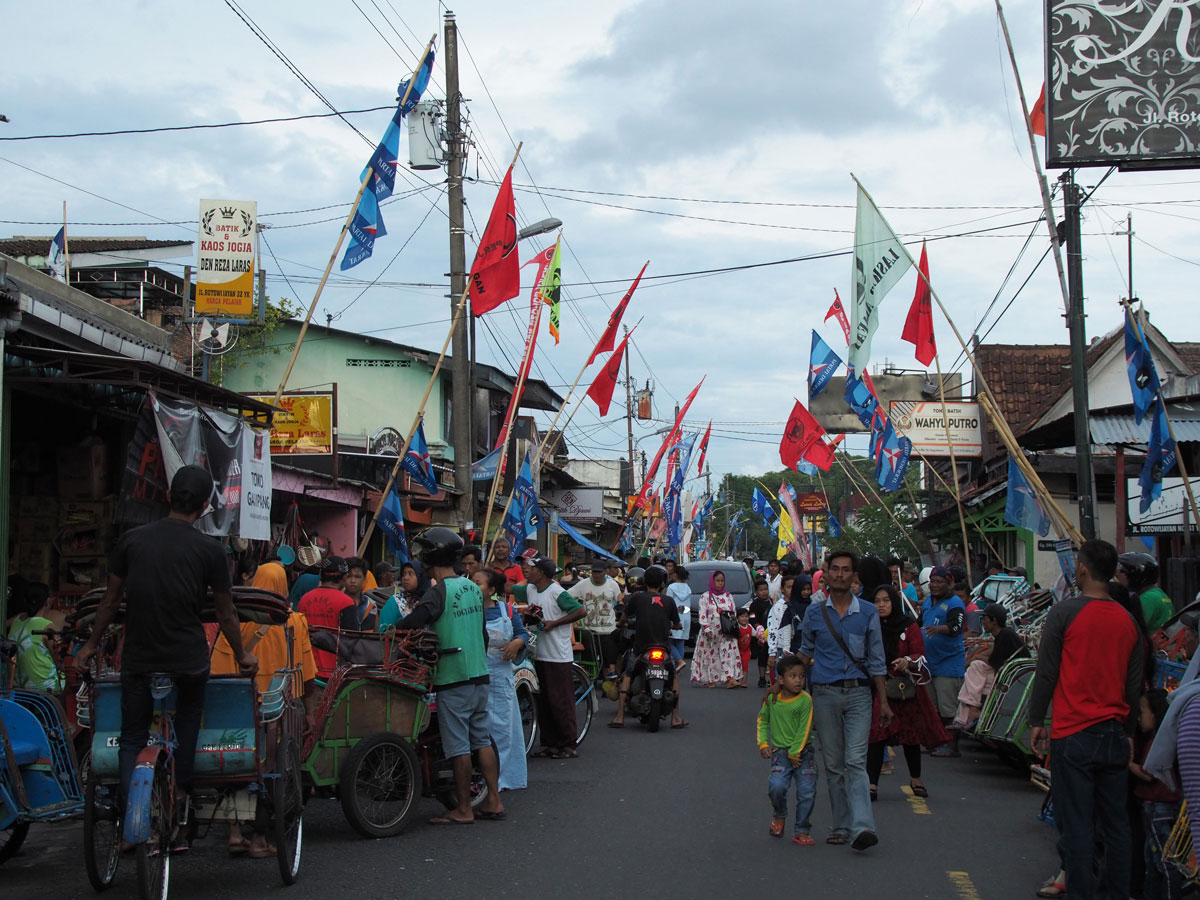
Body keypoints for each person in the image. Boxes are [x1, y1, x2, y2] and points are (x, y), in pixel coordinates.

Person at [73, 465, 257, 849]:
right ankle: (181, 794)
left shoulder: (133, 541)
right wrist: (242, 655)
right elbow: (225, 612)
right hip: (188, 658)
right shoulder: (209, 549)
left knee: (132, 737)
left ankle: (130, 817)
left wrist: (90, 647)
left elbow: (110, 602)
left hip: (139, 657)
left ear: (168, 497)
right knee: (188, 720)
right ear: (205, 504)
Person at [1028, 539, 1143, 900]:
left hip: (1073, 732)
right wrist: (1127, 732)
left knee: (1076, 826)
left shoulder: (1065, 613)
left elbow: (1046, 673)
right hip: (1113, 732)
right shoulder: (1128, 621)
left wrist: (1035, 719)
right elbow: (1133, 684)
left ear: (1082, 568)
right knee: (1116, 825)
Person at [398, 527, 504, 824]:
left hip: (453, 677)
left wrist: (393, 630)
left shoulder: (438, 591)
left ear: (431, 555)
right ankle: (494, 800)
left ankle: (464, 809)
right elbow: (481, 633)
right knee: (481, 740)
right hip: (479, 675)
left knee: (458, 746)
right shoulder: (472, 587)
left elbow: (415, 621)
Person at [798, 549, 891, 851]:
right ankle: (840, 825)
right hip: (824, 693)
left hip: (860, 694)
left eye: (845, 570)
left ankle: (863, 826)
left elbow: (877, 660)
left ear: (854, 576)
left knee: (855, 761)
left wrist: (884, 702)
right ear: (825, 574)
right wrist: (781, 681)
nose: (839, 574)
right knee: (834, 764)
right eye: (834, 569)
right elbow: (805, 652)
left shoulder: (867, 612)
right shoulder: (814, 612)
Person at [866, 584, 949, 802]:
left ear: (894, 602)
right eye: (877, 601)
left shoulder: (908, 625)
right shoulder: (871, 625)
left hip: (904, 688)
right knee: (877, 735)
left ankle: (916, 779)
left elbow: (919, 654)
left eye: (886, 600)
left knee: (911, 736)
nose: (881, 605)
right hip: (880, 688)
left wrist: (907, 661)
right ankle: (872, 783)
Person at [608, 564, 686, 728]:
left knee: (628, 675)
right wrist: (675, 626)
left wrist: (621, 623)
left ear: (644, 583)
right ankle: (676, 718)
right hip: (663, 648)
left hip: (641, 648)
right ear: (662, 584)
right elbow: (677, 623)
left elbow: (624, 617)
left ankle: (620, 716)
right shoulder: (669, 601)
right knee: (674, 677)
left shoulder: (637, 598)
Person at [473, 568, 529, 792]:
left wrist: (517, 643)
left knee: (503, 731)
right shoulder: (467, 612)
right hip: (476, 677)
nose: (473, 586)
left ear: (492, 589)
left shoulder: (506, 610)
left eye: (478, 583)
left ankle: (502, 778)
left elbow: (522, 633)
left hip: (502, 679)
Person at [526, 556, 587, 758]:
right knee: (543, 702)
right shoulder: (530, 590)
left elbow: (580, 611)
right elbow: (507, 588)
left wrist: (556, 623)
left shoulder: (556, 592)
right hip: (539, 655)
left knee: (560, 702)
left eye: (531, 568)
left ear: (541, 572)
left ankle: (569, 743)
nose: (527, 570)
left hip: (557, 656)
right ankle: (551, 743)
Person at [1130, 689, 1184, 900]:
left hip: (1157, 806)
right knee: (1153, 858)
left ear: (1155, 713)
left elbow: (1148, 773)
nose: (1140, 717)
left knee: (1163, 861)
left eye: (1142, 711)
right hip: (1163, 807)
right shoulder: (1169, 738)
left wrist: (1127, 763)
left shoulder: (1156, 742)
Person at [758, 654, 817, 845]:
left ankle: (802, 829)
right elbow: (762, 720)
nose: (798, 681)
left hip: (803, 754)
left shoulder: (805, 700)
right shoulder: (773, 699)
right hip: (781, 754)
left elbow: (804, 728)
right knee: (776, 787)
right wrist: (763, 743)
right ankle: (779, 814)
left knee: (807, 792)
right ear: (781, 680)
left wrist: (795, 752)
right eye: (793, 676)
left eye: (801, 676)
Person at [952, 603, 1029, 731]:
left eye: (985, 618)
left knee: (976, 667)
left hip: (1014, 680)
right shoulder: (1002, 635)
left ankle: (969, 713)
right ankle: (966, 715)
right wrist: (973, 657)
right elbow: (993, 651)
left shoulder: (1005, 635)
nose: (982, 622)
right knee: (971, 679)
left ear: (994, 621)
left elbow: (993, 662)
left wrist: (975, 658)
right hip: (1006, 676)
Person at [921, 565, 967, 758]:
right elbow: (918, 623)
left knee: (948, 708)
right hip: (929, 664)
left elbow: (956, 627)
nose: (935, 585)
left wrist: (938, 630)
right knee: (933, 706)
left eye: (940, 582)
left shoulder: (955, 603)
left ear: (950, 584)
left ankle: (951, 745)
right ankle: (937, 740)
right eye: (933, 581)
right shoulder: (927, 602)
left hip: (948, 664)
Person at [298, 556, 354, 679]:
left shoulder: (304, 599)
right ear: (344, 577)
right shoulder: (346, 602)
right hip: (333, 672)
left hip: (306, 670)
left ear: (321, 575)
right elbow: (351, 640)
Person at [568, 556, 622, 681]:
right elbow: (568, 597)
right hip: (589, 630)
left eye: (599, 572)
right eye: (594, 572)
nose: (596, 575)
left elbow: (619, 601)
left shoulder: (613, 585)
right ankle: (588, 683)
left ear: (605, 572)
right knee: (589, 662)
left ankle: (607, 682)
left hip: (608, 630)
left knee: (608, 662)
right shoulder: (583, 584)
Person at [6, 582, 64, 692]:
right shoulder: (46, 625)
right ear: (47, 601)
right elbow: (58, 658)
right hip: (44, 688)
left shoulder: (16, 622)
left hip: (17, 687)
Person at [691, 571, 742, 688]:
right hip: (711, 633)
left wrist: (734, 628)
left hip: (726, 632)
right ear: (712, 582)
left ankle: (730, 678)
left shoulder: (728, 596)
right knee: (710, 656)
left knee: (728, 655)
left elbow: (733, 613)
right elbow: (702, 614)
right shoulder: (705, 597)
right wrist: (706, 629)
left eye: (722, 581)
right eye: (717, 581)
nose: (720, 583)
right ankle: (710, 679)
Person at [1118, 552, 1174, 635]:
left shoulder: (1148, 599)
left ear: (1134, 575)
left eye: (1122, 572)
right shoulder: (1158, 593)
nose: (1117, 575)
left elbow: (1131, 630)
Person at [768, 574, 812, 675]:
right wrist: (774, 652)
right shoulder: (784, 607)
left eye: (808, 589)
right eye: (789, 587)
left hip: (807, 649)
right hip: (787, 649)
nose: (806, 592)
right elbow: (776, 629)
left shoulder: (812, 606)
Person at [377, 560, 428, 630]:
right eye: (403, 574)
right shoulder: (395, 602)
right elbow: (383, 633)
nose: (405, 578)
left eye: (411, 574)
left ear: (421, 576)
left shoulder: (430, 601)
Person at [339, 556, 378, 631]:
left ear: (364, 579)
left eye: (357, 577)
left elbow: (375, 633)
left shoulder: (371, 605)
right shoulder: (337, 603)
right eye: (349, 576)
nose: (353, 581)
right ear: (343, 577)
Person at [665, 564, 692, 673]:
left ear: (676, 574)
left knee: (668, 641)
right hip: (685, 617)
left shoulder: (671, 587)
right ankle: (678, 664)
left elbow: (667, 602)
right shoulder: (688, 588)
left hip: (674, 617)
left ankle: (679, 661)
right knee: (680, 642)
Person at [748, 579, 773, 688]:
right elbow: (752, 618)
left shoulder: (772, 602)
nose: (764, 592)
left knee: (772, 656)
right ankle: (762, 678)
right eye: (761, 590)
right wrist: (758, 629)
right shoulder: (754, 604)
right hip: (761, 635)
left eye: (766, 589)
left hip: (772, 633)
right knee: (762, 656)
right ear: (756, 592)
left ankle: (772, 679)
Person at [736, 608, 753, 688]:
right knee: (736, 665)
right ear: (737, 618)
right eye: (742, 616)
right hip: (737, 650)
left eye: (746, 616)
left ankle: (744, 682)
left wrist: (761, 638)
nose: (744, 618)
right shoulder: (737, 627)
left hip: (746, 650)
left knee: (745, 666)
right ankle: (736, 679)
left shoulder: (749, 627)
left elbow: (756, 634)